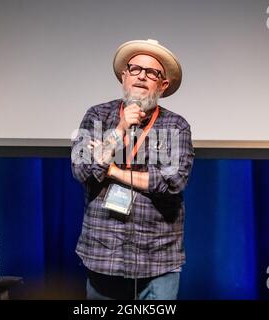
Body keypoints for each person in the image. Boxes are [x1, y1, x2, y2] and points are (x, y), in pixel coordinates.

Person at [71, 39, 194, 300]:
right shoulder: (97, 116)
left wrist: (111, 170)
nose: (142, 76)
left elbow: (173, 183)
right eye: (135, 69)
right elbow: (81, 171)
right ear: (124, 76)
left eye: (152, 72)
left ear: (163, 85)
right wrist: (119, 129)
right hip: (104, 253)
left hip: (159, 256)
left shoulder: (177, 125)